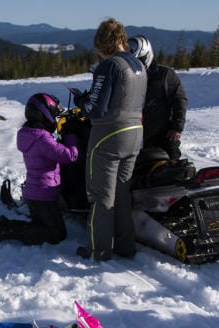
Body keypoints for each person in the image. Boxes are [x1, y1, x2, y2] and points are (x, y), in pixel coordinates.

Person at [74, 18, 147, 262]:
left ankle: (99, 249)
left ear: (102, 44)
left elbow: (96, 108)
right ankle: (126, 246)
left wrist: (82, 103)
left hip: (109, 137)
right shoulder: (138, 65)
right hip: (135, 133)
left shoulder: (109, 66)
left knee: (101, 196)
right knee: (122, 195)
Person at [0, 93, 79, 245]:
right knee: (56, 234)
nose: (55, 120)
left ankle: (8, 225)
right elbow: (70, 156)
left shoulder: (29, 134)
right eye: (53, 115)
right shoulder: (42, 139)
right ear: (43, 115)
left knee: (46, 226)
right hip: (43, 195)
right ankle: (6, 228)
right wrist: (71, 134)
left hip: (36, 192)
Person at [129, 35, 187, 161]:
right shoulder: (128, 77)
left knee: (171, 167)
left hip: (163, 135)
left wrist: (177, 127)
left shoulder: (165, 75)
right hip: (133, 135)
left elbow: (179, 100)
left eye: (140, 59)